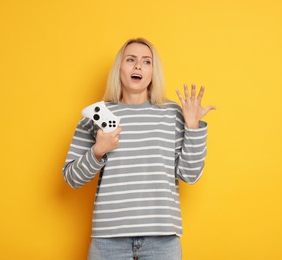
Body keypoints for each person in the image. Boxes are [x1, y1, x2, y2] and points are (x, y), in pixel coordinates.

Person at [62, 38, 215, 260]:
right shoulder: (97, 114)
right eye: (130, 60)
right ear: (119, 68)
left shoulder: (172, 113)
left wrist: (192, 128)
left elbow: (190, 175)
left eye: (146, 62)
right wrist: (97, 151)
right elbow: (71, 177)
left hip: (162, 239)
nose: (137, 66)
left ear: (153, 72)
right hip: (108, 240)